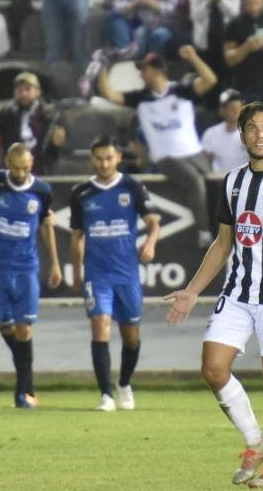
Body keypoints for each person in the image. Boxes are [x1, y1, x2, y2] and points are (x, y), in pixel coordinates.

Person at [164, 102, 263, 489]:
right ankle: (256, 443)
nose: (260, 134)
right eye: (252, 128)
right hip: (237, 292)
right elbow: (222, 243)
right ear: (242, 134)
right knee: (213, 368)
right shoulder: (232, 182)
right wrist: (191, 292)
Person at [70, 136, 160, 411]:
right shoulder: (81, 193)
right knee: (100, 328)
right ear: (92, 159)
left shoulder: (132, 186)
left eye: (109, 158)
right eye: (99, 158)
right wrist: (77, 273)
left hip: (127, 274)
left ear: (118, 158)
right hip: (97, 275)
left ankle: (124, 382)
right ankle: (106, 395)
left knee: (131, 334)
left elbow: (153, 222)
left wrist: (150, 243)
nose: (104, 163)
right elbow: (76, 237)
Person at [98, 47, 219, 247]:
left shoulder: (182, 91)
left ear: (158, 71)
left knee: (215, 184)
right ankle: (204, 233)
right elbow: (109, 93)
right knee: (195, 182)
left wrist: (193, 57)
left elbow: (210, 80)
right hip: (166, 156)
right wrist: (103, 66)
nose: (141, 74)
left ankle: (226, 232)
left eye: (144, 70)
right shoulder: (140, 98)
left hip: (193, 151)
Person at [0, 143, 62, 408]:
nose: (21, 173)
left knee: (24, 329)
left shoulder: (41, 191)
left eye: (25, 167)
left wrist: (55, 263)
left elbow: (46, 224)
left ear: (31, 163)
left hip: (25, 269)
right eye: (15, 167)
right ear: (7, 164)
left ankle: (24, 391)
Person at [0, 72, 68, 173]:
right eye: (19, 90)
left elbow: (66, 147)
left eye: (28, 89)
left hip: (42, 171)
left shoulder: (52, 115)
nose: (23, 94)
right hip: (13, 171)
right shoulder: (7, 114)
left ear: (38, 92)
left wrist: (57, 145)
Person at [202, 89, 248, 175]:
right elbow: (206, 162)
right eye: (232, 108)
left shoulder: (251, 133)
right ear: (222, 111)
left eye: (239, 108)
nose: (236, 111)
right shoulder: (211, 133)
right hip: (219, 181)